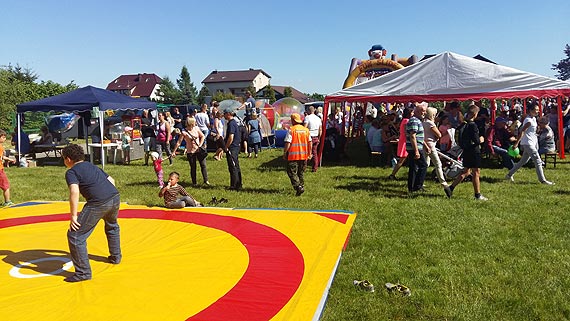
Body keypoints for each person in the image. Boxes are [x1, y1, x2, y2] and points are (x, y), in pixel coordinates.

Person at [62, 144, 121, 282]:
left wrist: (73, 216)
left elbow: (74, 191)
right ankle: (116, 256)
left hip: (98, 203)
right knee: (112, 226)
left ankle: (83, 273)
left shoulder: (71, 172)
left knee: (75, 235)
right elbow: (111, 180)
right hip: (114, 197)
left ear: (68, 159)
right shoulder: (91, 165)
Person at [506, 102, 554, 185]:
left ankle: (509, 175)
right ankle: (542, 180)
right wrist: (517, 143)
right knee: (538, 161)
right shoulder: (528, 120)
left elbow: (532, 131)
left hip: (532, 142)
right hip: (528, 143)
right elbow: (522, 131)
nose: (537, 112)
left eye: (538, 110)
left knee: (522, 161)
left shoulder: (534, 119)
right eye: (536, 110)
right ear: (530, 110)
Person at [447, 104, 487, 200]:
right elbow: (476, 140)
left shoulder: (463, 124)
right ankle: (477, 195)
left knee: (466, 171)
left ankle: (450, 188)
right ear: (475, 114)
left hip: (466, 150)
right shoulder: (473, 125)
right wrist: (481, 139)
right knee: (476, 172)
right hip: (474, 151)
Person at [172, 117, 209, 186]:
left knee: (203, 165)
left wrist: (200, 145)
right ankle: (194, 182)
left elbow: (203, 136)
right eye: (194, 122)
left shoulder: (197, 128)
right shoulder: (184, 132)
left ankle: (206, 180)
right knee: (193, 167)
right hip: (190, 152)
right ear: (191, 123)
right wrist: (174, 151)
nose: (195, 123)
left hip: (199, 150)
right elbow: (179, 142)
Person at [283, 113, 312, 196]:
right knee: (301, 172)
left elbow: (288, 142)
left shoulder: (291, 130)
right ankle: (301, 186)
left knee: (292, 172)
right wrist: (309, 153)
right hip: (304, 155)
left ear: (293, 120)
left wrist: (285, 153)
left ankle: (298, 187)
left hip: (293, 156)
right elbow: (310, 142)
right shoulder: (306, 130)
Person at [405, 102, 429, 193]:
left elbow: (419, 136)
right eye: (423, 111)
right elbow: (412, 136)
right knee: (423, 165)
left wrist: (425, 146)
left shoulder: (417, 120)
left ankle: (412, 187)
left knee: (413, 167)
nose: (424, 113)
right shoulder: (414, 120)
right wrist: (416, 151)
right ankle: (418, 186)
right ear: (417, 111)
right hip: (414, 148)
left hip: (416, 147)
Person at [423, 107, 449, 187]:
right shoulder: (430, 123)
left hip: (424, 144)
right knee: (438, 163)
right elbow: (439, 134)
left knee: (425, 164)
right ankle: (443, 182)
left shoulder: (423, 122)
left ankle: (420, 181)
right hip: (430, 144)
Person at [389, 107, 411, 179]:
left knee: (405, 160)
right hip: (405, 141)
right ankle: (392, 175)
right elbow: (406, 131)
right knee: (402, 160)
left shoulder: (403, 120)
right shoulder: (406, 121)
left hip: (403, 140)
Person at [223, 109, 242, 190]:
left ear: (228, 114)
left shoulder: (231, 124)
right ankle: (238, 183)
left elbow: (231, 137)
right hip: (235, 146)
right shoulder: (233, 122)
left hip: (232, 147)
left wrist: (226, 147)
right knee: (236, 165)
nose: (224, 115)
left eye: (224, 114)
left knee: (233, 166)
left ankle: (234, 185)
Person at [304, 106, 322, 172]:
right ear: (314, 110)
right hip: (316, 136)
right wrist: (319, 138)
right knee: (314, 152)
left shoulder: (307, 118)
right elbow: (320, 130)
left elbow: (305, 128)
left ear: (308, 111)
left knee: (306, 152)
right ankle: (315, 168)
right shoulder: (318, 118)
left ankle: (304, 167)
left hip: (309, 136)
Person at [0, 130, 16, 207]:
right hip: (0, 170)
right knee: (5, 185)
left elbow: (2, 157)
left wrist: (9, 159)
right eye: (3, 137)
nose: (5, 139)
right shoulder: (0, 147)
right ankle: (7, 201)